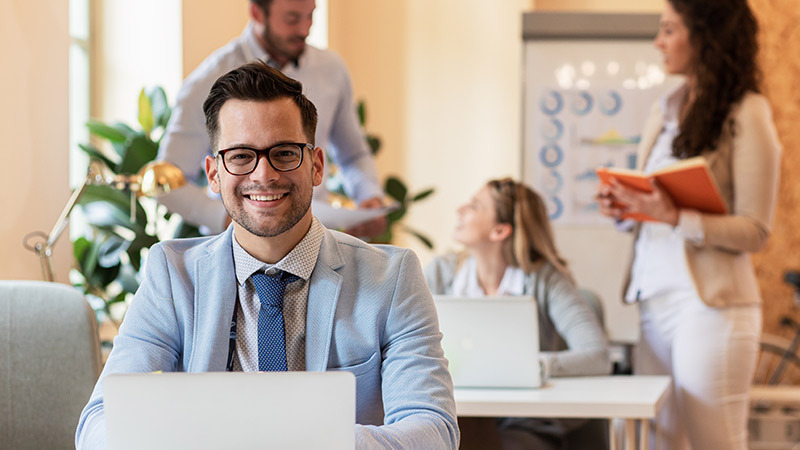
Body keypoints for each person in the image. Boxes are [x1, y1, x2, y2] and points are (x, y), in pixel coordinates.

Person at [76, 61, 459, 450]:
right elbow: (100, 421)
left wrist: (313, 443)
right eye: (241, 156)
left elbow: (433, 431)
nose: (264, 174)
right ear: (213, 174)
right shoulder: (172, 277)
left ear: (316, 165)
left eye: (284, 152)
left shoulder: (391, 279)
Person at [596, 0, 782, 448]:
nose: (658, 42)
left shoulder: (747, 112)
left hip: (710, 308)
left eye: (669, 30)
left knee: (714, 442)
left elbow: (755, 230)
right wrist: (626, 207)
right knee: (657, 442)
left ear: (704, 37)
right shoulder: (664, 110)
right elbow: (655, 213)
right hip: (652, 302)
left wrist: (676, 216)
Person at [157, 0, 385, 238]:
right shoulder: (207, 80)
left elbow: (353, 155)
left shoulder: (332, 70)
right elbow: (168, 183)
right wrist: (230, 219)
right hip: (236, 247)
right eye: (292, 18)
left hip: (316, 240)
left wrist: (369, 195)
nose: (304, 29)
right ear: (257, 12)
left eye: (310, 16)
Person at [426, 178, 611, 450]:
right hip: (459, 412)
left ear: (500, 230)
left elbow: (598, 356)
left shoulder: (546, 279)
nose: (460, 210)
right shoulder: (440, 273)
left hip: (524, 421)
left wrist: (532, 367)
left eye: (475, 206)